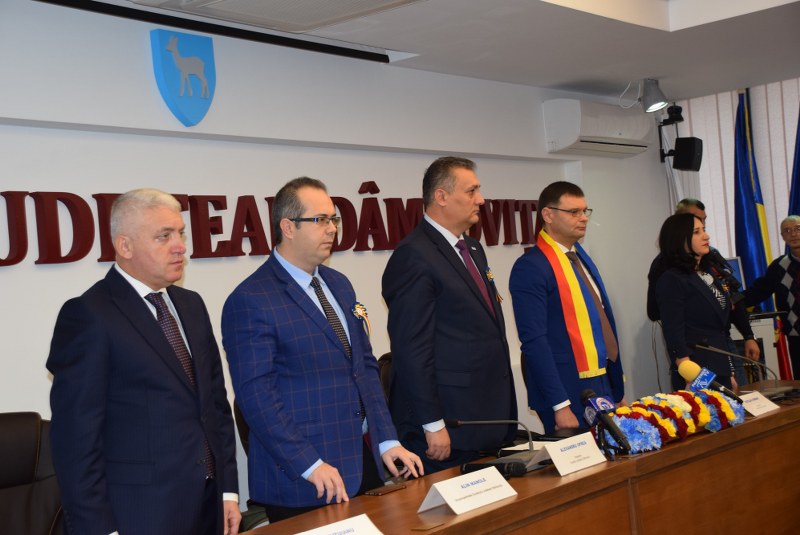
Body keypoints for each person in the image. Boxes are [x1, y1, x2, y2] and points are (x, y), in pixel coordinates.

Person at [222, 177, 422, 523]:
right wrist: (309, 463)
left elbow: (364, 368)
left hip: (360, 463)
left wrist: (387, 440)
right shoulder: (251, 299)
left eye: (334, 219)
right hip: (304, 477)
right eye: (320, 220)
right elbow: (257, 398)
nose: (332, 229)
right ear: (288, 227)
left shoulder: (338, 284)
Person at [47, 189, 241, 535]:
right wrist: (98, 529)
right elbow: (76, 441)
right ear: (125, 246)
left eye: (180, 233)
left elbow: (215, 406)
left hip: (209, 506)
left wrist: (228, 490)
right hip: (139, 516)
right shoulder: (89, 315)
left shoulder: (192, 305)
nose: (179, 246)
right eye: (163, 236)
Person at [382, 156, 517, 473]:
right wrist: (432, 423)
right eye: (471, 191)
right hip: (448, 425)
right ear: (441, 196)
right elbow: (411, 349)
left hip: (485, 416)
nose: (481, 200)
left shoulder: (472, 248)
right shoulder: (413, 256)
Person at [509, 181, 624, 433]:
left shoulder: (580, 257)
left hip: (601, 379)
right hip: (566, 389)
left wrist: (617, 389)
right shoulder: (531, 267)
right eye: (574, 212)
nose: (583, 218)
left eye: (585, 211)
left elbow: (603, 322)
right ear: (548, 215)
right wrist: (559, 405)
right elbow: (534, 340)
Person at [654, 213, 760, 391]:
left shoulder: (707, 273)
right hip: (695, 371)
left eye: (704, 230)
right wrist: (687, 371)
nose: (706, 236)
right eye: (697, 232)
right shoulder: (672, 279)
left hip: (720, 364)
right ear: (680, 239)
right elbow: (673, 331)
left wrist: (729, 371)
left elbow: (720, 329)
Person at [745, 215, 800, 379]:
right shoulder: (779, 267)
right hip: (796, 336)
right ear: (782, 236)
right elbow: (758, 292)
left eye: (798, 229)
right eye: (787, 231)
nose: (793, 234)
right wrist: (730, 300)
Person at [647, 198, 707, 321]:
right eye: (694, 218)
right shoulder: (663, 265)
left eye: (703, 219)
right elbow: (654, 311)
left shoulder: (707, 256)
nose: (702, 223)